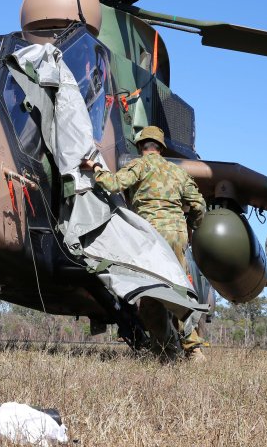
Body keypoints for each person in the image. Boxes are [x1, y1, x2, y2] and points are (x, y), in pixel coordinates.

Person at [81, 126, 207, 361]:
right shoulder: (178, 172)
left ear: (141, 147)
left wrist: (95, 168)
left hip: (150, 238)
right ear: (161, 147)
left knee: (151, 295)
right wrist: (189, 227)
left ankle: (164, 352)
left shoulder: (139, 165)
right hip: (176, 235)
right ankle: (194, 349)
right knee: (180, 291)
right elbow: (199, 205)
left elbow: (114, 183)